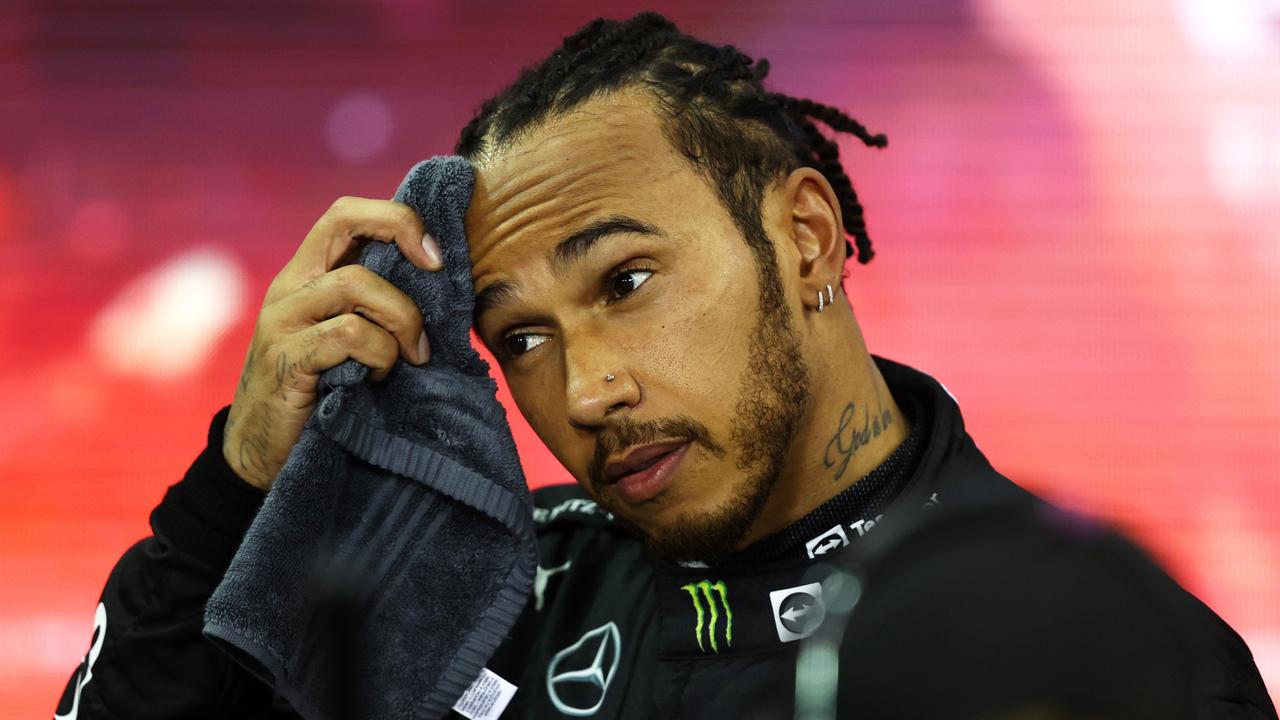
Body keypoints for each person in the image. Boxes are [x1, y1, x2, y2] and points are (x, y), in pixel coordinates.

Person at [56, 12, 1275, 719]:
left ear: (803, 239)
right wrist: (237, 481)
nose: (582, 393)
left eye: (625, 283)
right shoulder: (465, 599)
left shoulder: (1073, 644)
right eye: (518, 338)